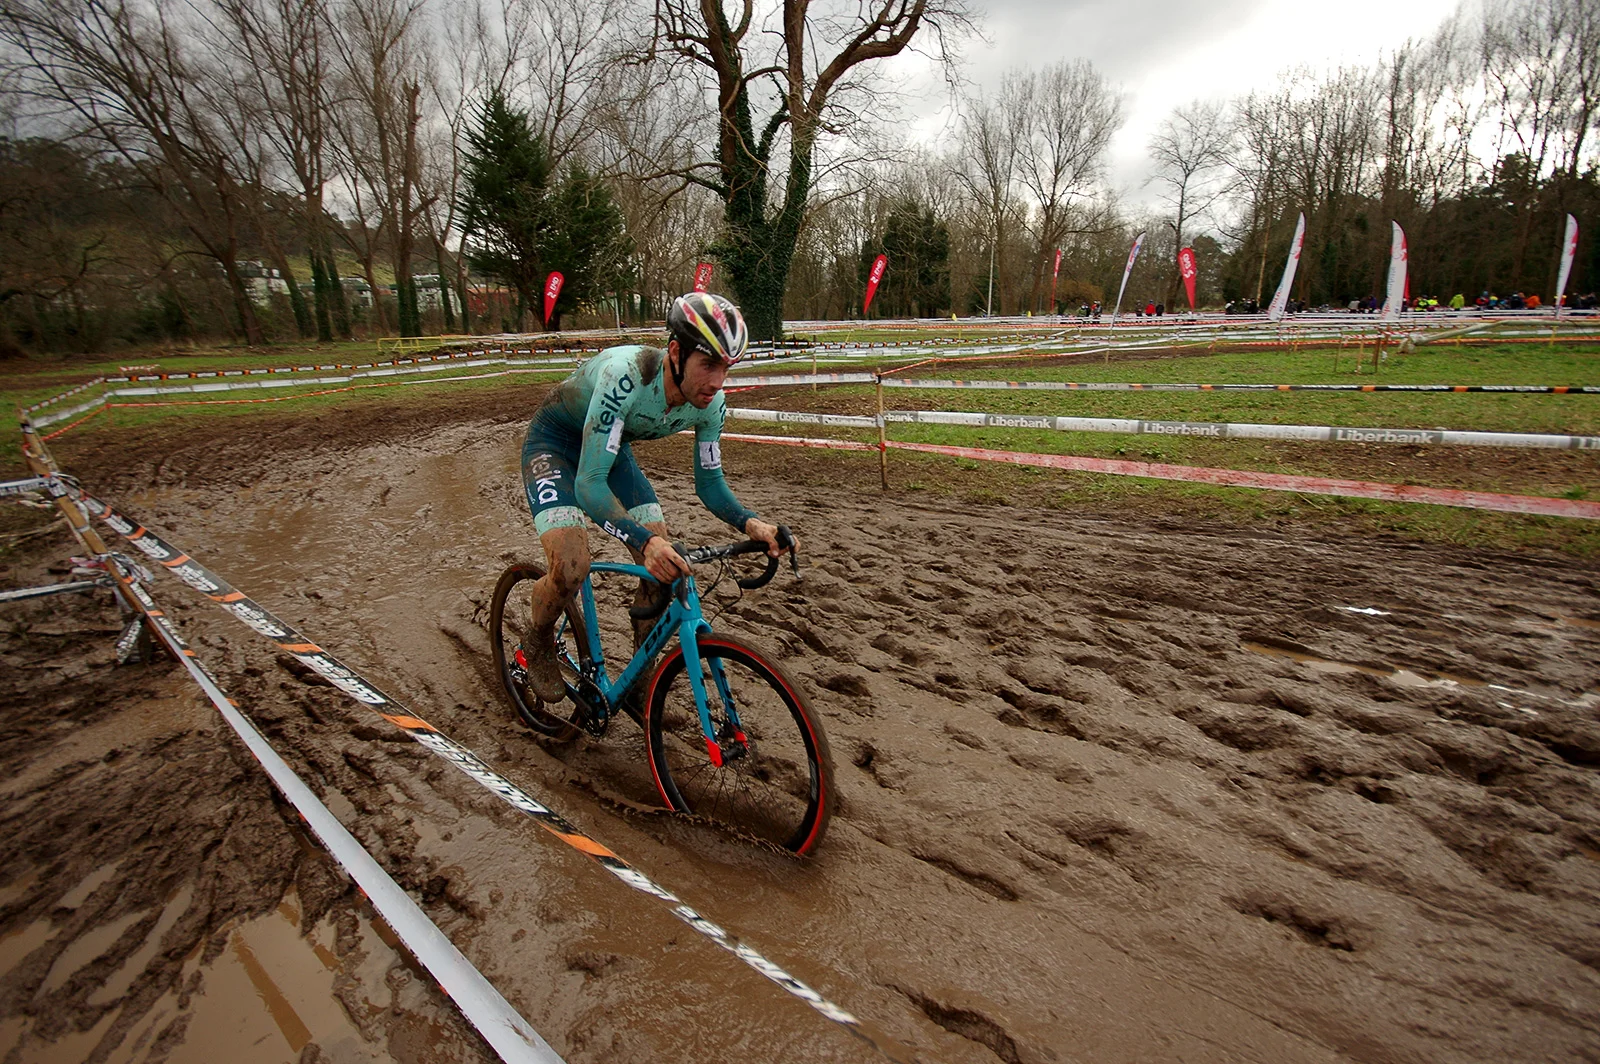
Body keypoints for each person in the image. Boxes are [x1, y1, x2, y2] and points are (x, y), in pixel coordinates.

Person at [515, 292, 792, 701]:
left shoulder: (710, 406)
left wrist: (751, 523)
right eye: (709, 365)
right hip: (555, 445)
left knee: (665, 568)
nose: (717, 382)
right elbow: (589, 485)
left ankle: (640, 671)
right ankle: (536, 640)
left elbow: (709, 484)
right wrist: (645, 542)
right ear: (676, 353)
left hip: (610, 449)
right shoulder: (625, 378)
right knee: (572, 566)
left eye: (726, 369)